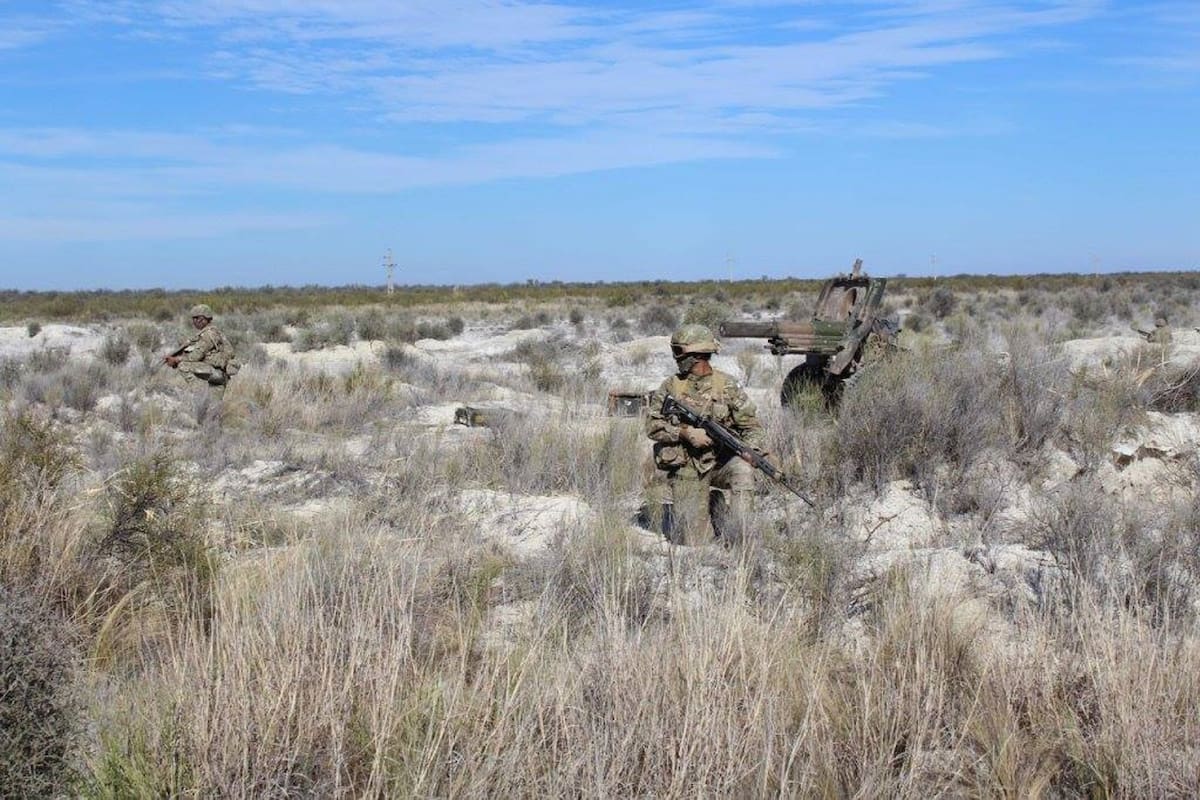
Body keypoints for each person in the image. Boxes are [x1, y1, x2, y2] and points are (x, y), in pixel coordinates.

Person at [644, 324, 768, 545]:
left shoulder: (726, 385)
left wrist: (751, 450)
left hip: (721, 463)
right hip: (687, 466)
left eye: (678, 351)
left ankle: (740, 536)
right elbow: (652, 425)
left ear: (697, 355)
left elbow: (752, 427)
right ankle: (713, 503)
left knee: (743, 470)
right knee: (693, 542)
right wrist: (684, 433)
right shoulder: (671, 386)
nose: (675, 357)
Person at [163, 304, 237, 399]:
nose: (194, 321)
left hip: (217, 373)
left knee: (183, 366)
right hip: (221, 374)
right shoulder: (213, 331)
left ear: (203, 319)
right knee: (213, 404)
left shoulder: (208, 334)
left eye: (196, 318)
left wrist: (176, 360)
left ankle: (199, 395)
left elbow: (195, 357)